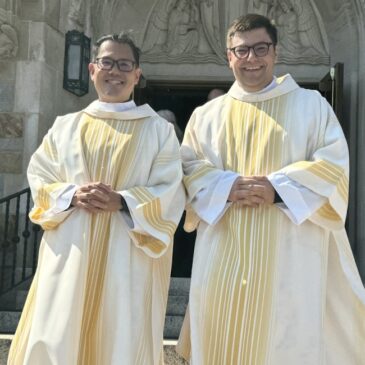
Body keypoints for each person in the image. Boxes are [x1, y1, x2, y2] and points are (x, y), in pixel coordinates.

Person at [177, 14, 365, 365]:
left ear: (275, 52)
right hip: (222, 255)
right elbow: (187, 170)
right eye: (242, 50)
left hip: (292, 258)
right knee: (223, 338)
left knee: (287, 342)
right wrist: (227, 186)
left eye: (260, 48)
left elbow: (334, 168)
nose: (252, 58)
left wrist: (277, 189)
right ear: (228, 55)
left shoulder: (312, 106)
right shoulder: (206, 116)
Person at [8, 33, 185, 365]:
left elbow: (171, 190)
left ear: (137, 74)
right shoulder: (65, 126)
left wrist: (123, 201)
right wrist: (71, 194)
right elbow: (40, 176)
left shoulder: (158, 131)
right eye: (106, 62)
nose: (114, 71)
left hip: (128, 259)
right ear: (92, 69)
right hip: (69, 255)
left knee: (121, 339)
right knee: (59, 333)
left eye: (123, 64)